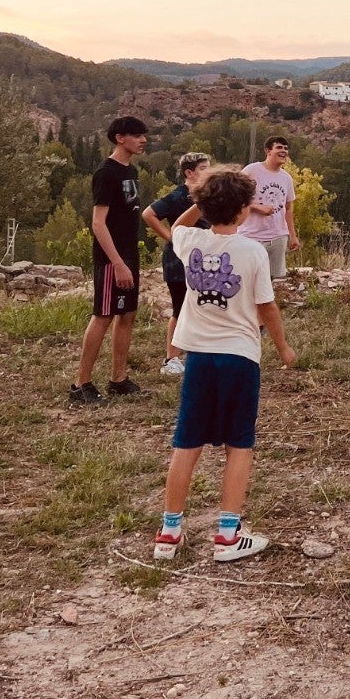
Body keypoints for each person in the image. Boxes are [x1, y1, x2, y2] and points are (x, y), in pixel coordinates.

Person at [153, 166, 296, 563]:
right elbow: (266, 306)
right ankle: (228, 535)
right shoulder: (251, 251)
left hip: (197, 356)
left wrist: (198, 200)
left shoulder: (189, 242)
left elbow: (180, 224)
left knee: (187, 442)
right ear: (242, 211)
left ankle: (169, 532)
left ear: (204, 206)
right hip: (239, 357)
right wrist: (283, 348)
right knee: (239, 443)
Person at [70, 116, 149, 407]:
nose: (143, 140)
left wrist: (128, 259)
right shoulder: (106, 173)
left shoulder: (131, 171)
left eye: (144, 135)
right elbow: (98, 223)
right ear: (119, 137)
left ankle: (118, 379)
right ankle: (81, 384)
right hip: (110, 259)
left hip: (129, 254)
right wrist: (116, 263)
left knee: (126, 315)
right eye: (137, 135)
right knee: (103, 316)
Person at [142, 152, 211, 377]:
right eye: (203, 168)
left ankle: (197, 354)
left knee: (201, 306)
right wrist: (169, 236)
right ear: (188, 172)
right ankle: (171, 358)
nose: (208, 171)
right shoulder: (178, 196)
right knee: (180, 308)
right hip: (177, 261)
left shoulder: (206, 196)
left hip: (202, 260)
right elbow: (149, 214)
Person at [238, 137, 300, 280]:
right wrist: (256, 207)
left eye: (286, 148)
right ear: (268, 151)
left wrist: (293, 236)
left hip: (278, 237)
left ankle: (266, 303)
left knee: (269, 281)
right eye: (279, 147)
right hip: (252, 236)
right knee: (248, 279)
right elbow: (234, 198)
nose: (283, 151)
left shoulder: (286, 178)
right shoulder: (251, 170)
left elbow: (289, 208)